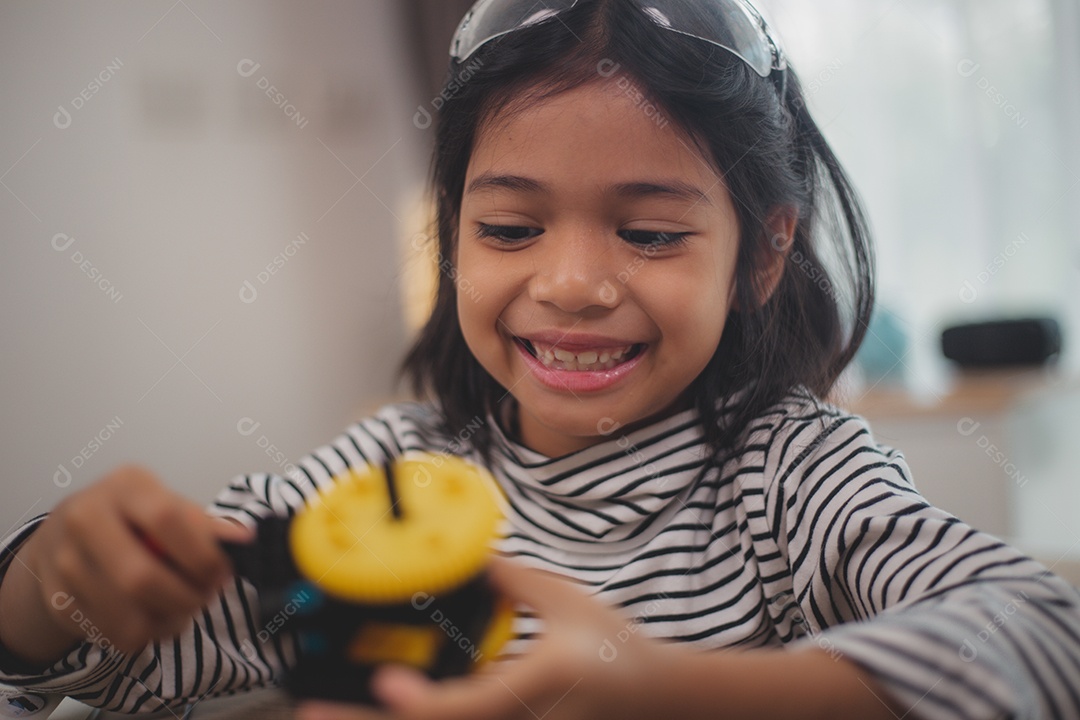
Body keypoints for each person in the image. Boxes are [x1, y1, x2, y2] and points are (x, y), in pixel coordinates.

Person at [1, 0, 1078, 718]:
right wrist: (55, 582)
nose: (569, 285)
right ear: (452, 235)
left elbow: (1040, 638)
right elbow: (127, 653)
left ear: (763, 254)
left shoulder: (790, 477)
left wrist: (657, 686)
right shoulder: (386, 485)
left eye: (650, 234)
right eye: (510, 230)